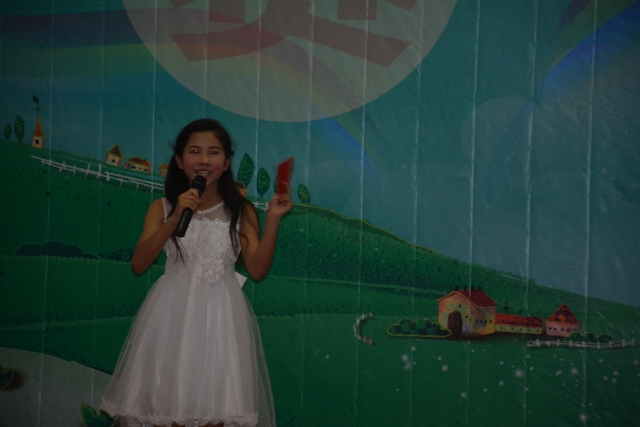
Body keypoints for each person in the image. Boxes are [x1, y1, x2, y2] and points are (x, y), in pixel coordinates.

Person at [101, 118, 292, 427]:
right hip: (171, 317)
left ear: (226, 162)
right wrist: (175, 215)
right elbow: (139, 263)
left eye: (213, 152)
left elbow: (257, 269)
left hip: (221, 319)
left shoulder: (241, 211)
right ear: (179, 160)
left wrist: (273, 220)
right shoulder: (162, 207)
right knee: (168, 407)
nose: (204, 160)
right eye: (194, 151)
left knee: (215, 411)